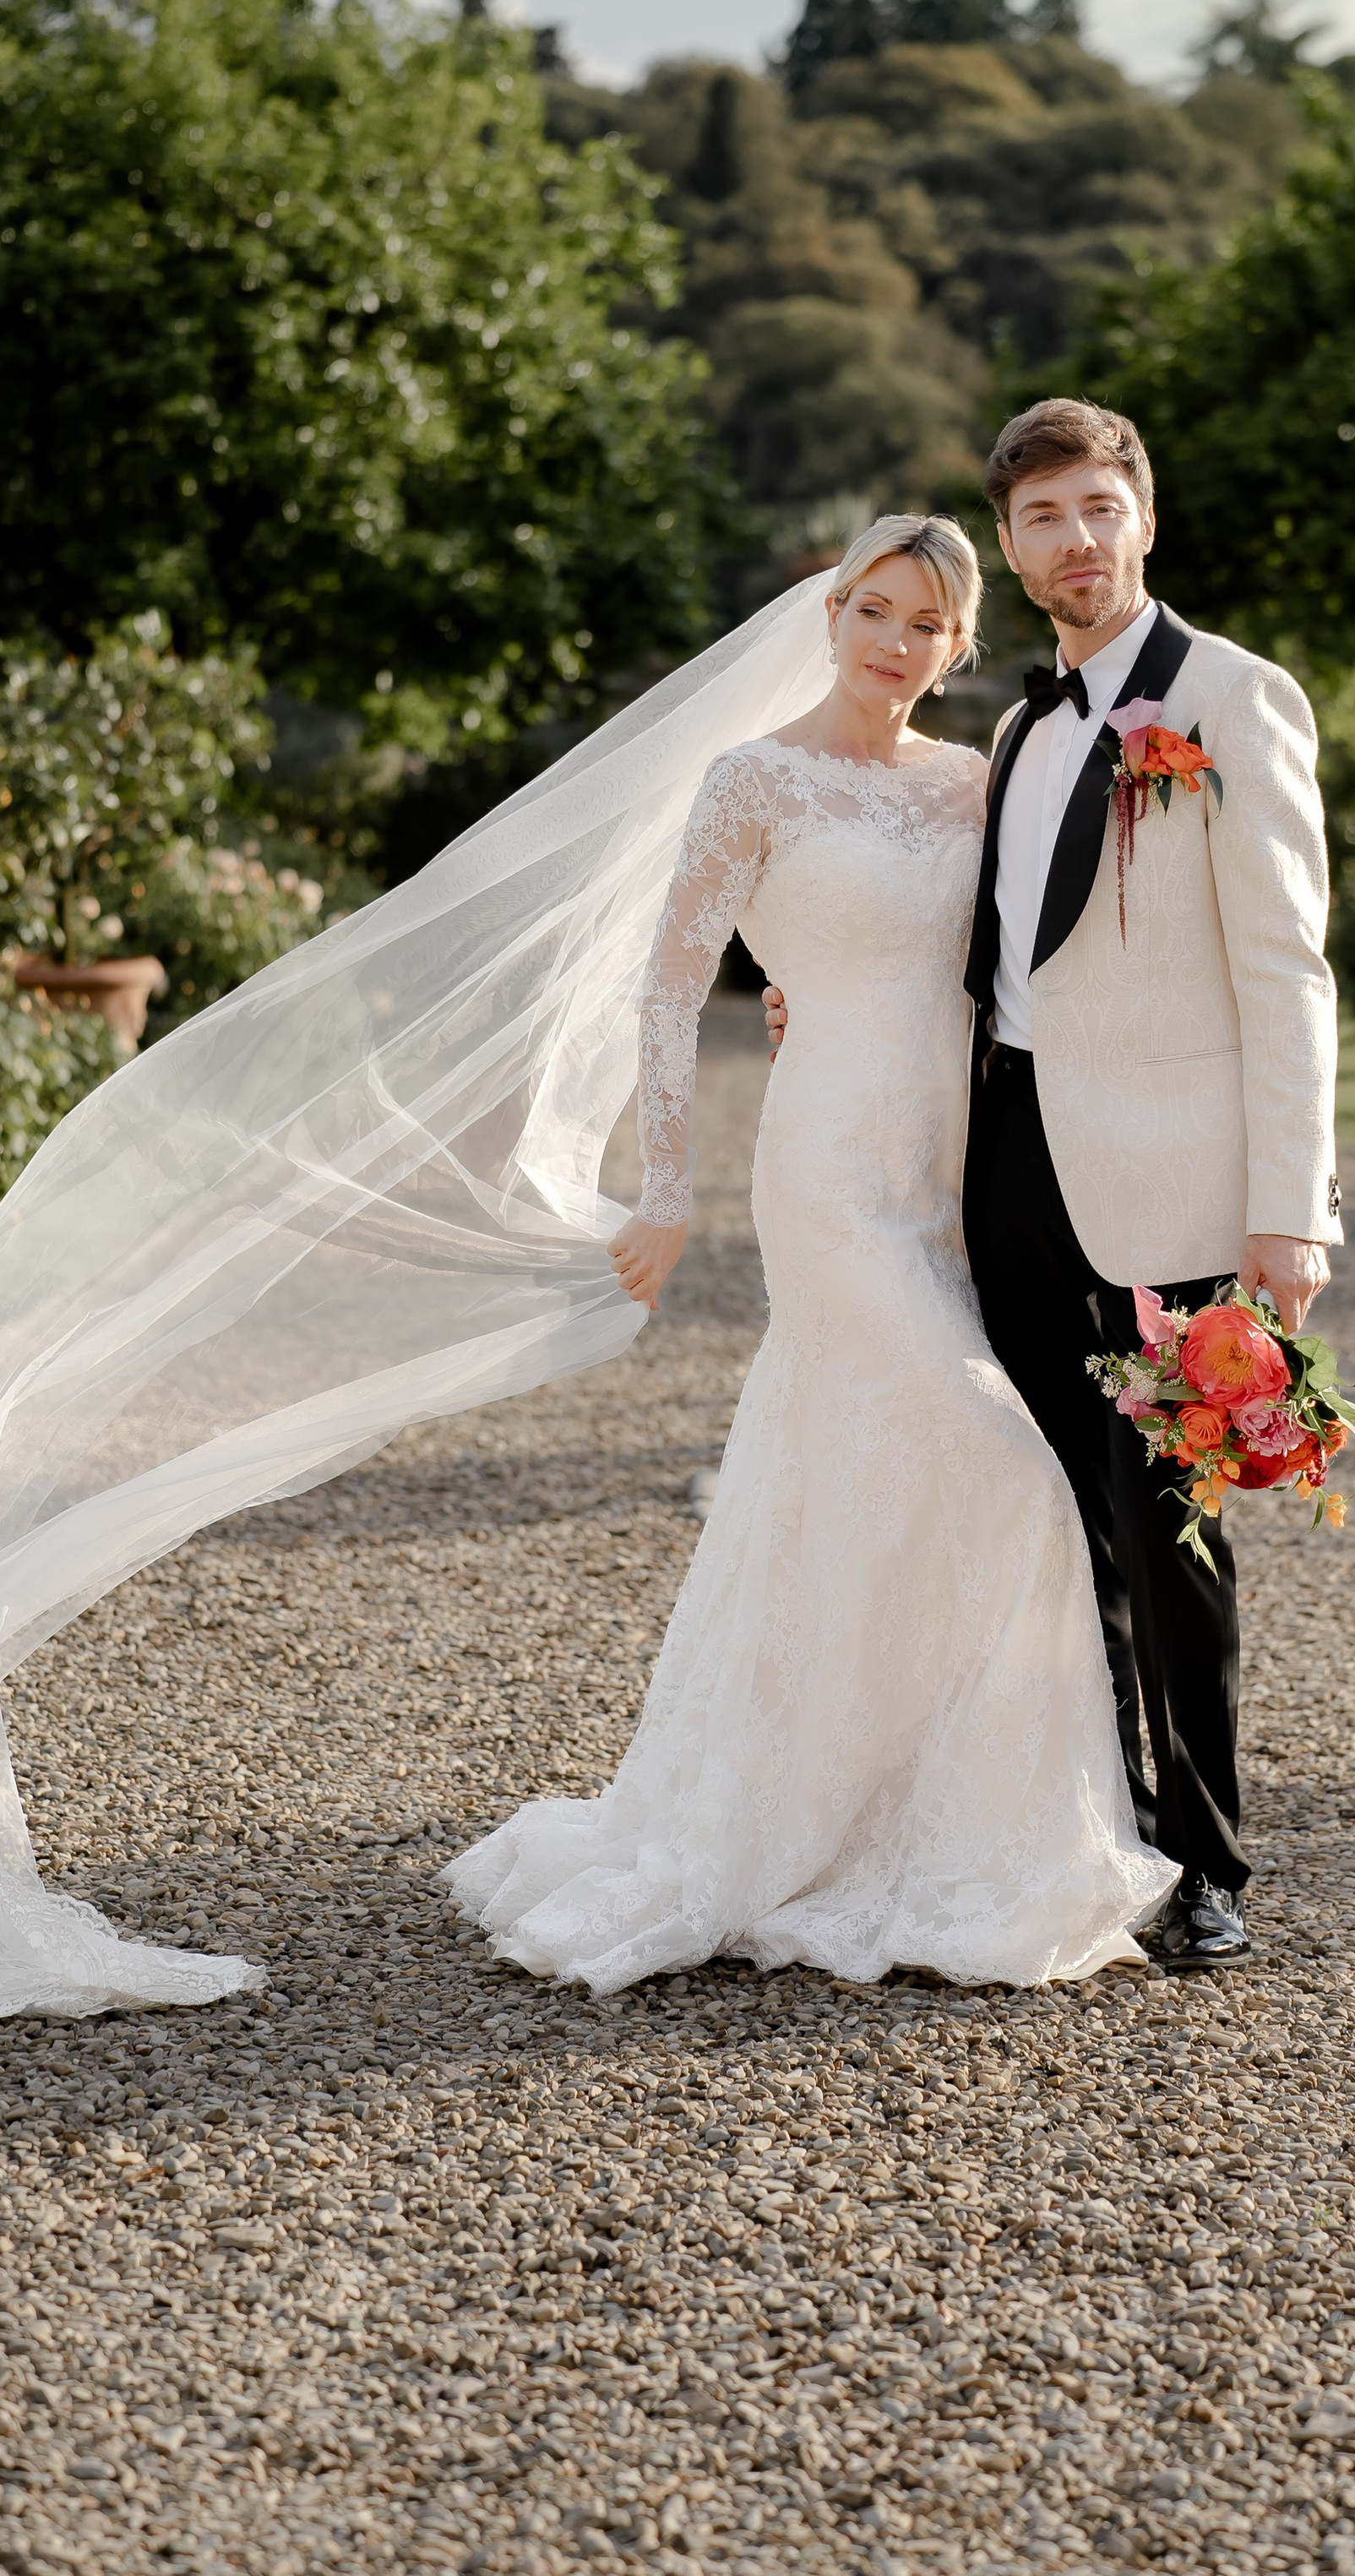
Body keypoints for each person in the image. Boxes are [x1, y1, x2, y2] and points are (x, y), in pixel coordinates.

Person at [446, 515, 1172, 1993]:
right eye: (876, 611)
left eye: (928, 625)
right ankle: (935, 1837)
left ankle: (871, 1809)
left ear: (961, 649)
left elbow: (1010, 968)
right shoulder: (753, 779)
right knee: (1004, 1471)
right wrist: (665, 1190)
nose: (897, 643)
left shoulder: (974, 784)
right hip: (831, 1172)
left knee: (863, 1480)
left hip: (952, 1166)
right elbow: (666, 990)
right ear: (830, 612)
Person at [768, 403, 1341, 1970]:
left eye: (1100, 507)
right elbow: (981, 950)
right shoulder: (1020, 733)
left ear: (1144, 517)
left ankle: (1205, 1853)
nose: (1075, 540)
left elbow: (1290, 967)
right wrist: (824, 997)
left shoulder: (1231, 698)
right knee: (1042, 1511)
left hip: (1172, 1185)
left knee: (1174, 1529)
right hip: (1003, 1165)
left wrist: (1293, 1208)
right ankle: (1088, 1830)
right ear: (1010, 549)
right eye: (1042, 519)